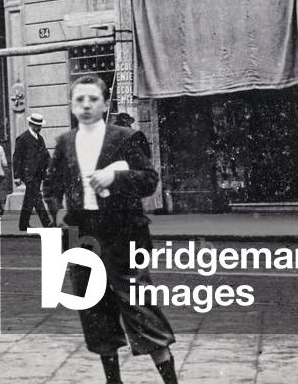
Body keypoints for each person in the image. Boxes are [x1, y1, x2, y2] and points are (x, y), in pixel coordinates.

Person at [43, 75, 177, 384]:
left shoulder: (125, 137)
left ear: (105, 104)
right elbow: (50, 187)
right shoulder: (64, 143)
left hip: (124, 235)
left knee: (141, 311)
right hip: (84, 240)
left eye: (93, 99)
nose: (86, 105)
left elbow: (149, 180)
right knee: (97, 316)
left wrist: (114, 178)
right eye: (80, 100)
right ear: (72, 106)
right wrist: (59, 213)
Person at [13, 112, 51, 230]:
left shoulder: (40, 138)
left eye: (40, 126)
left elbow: (46, 154)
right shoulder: (23, 138)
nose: (39, 128)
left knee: (29, 199)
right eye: (37, 126)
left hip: (39, 174)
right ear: (31, 124)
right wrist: (17, 176)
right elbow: (17, 157)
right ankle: (47, 224)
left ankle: (23, 225)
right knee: (37, 198)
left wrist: (51, 166)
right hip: (28, 174)